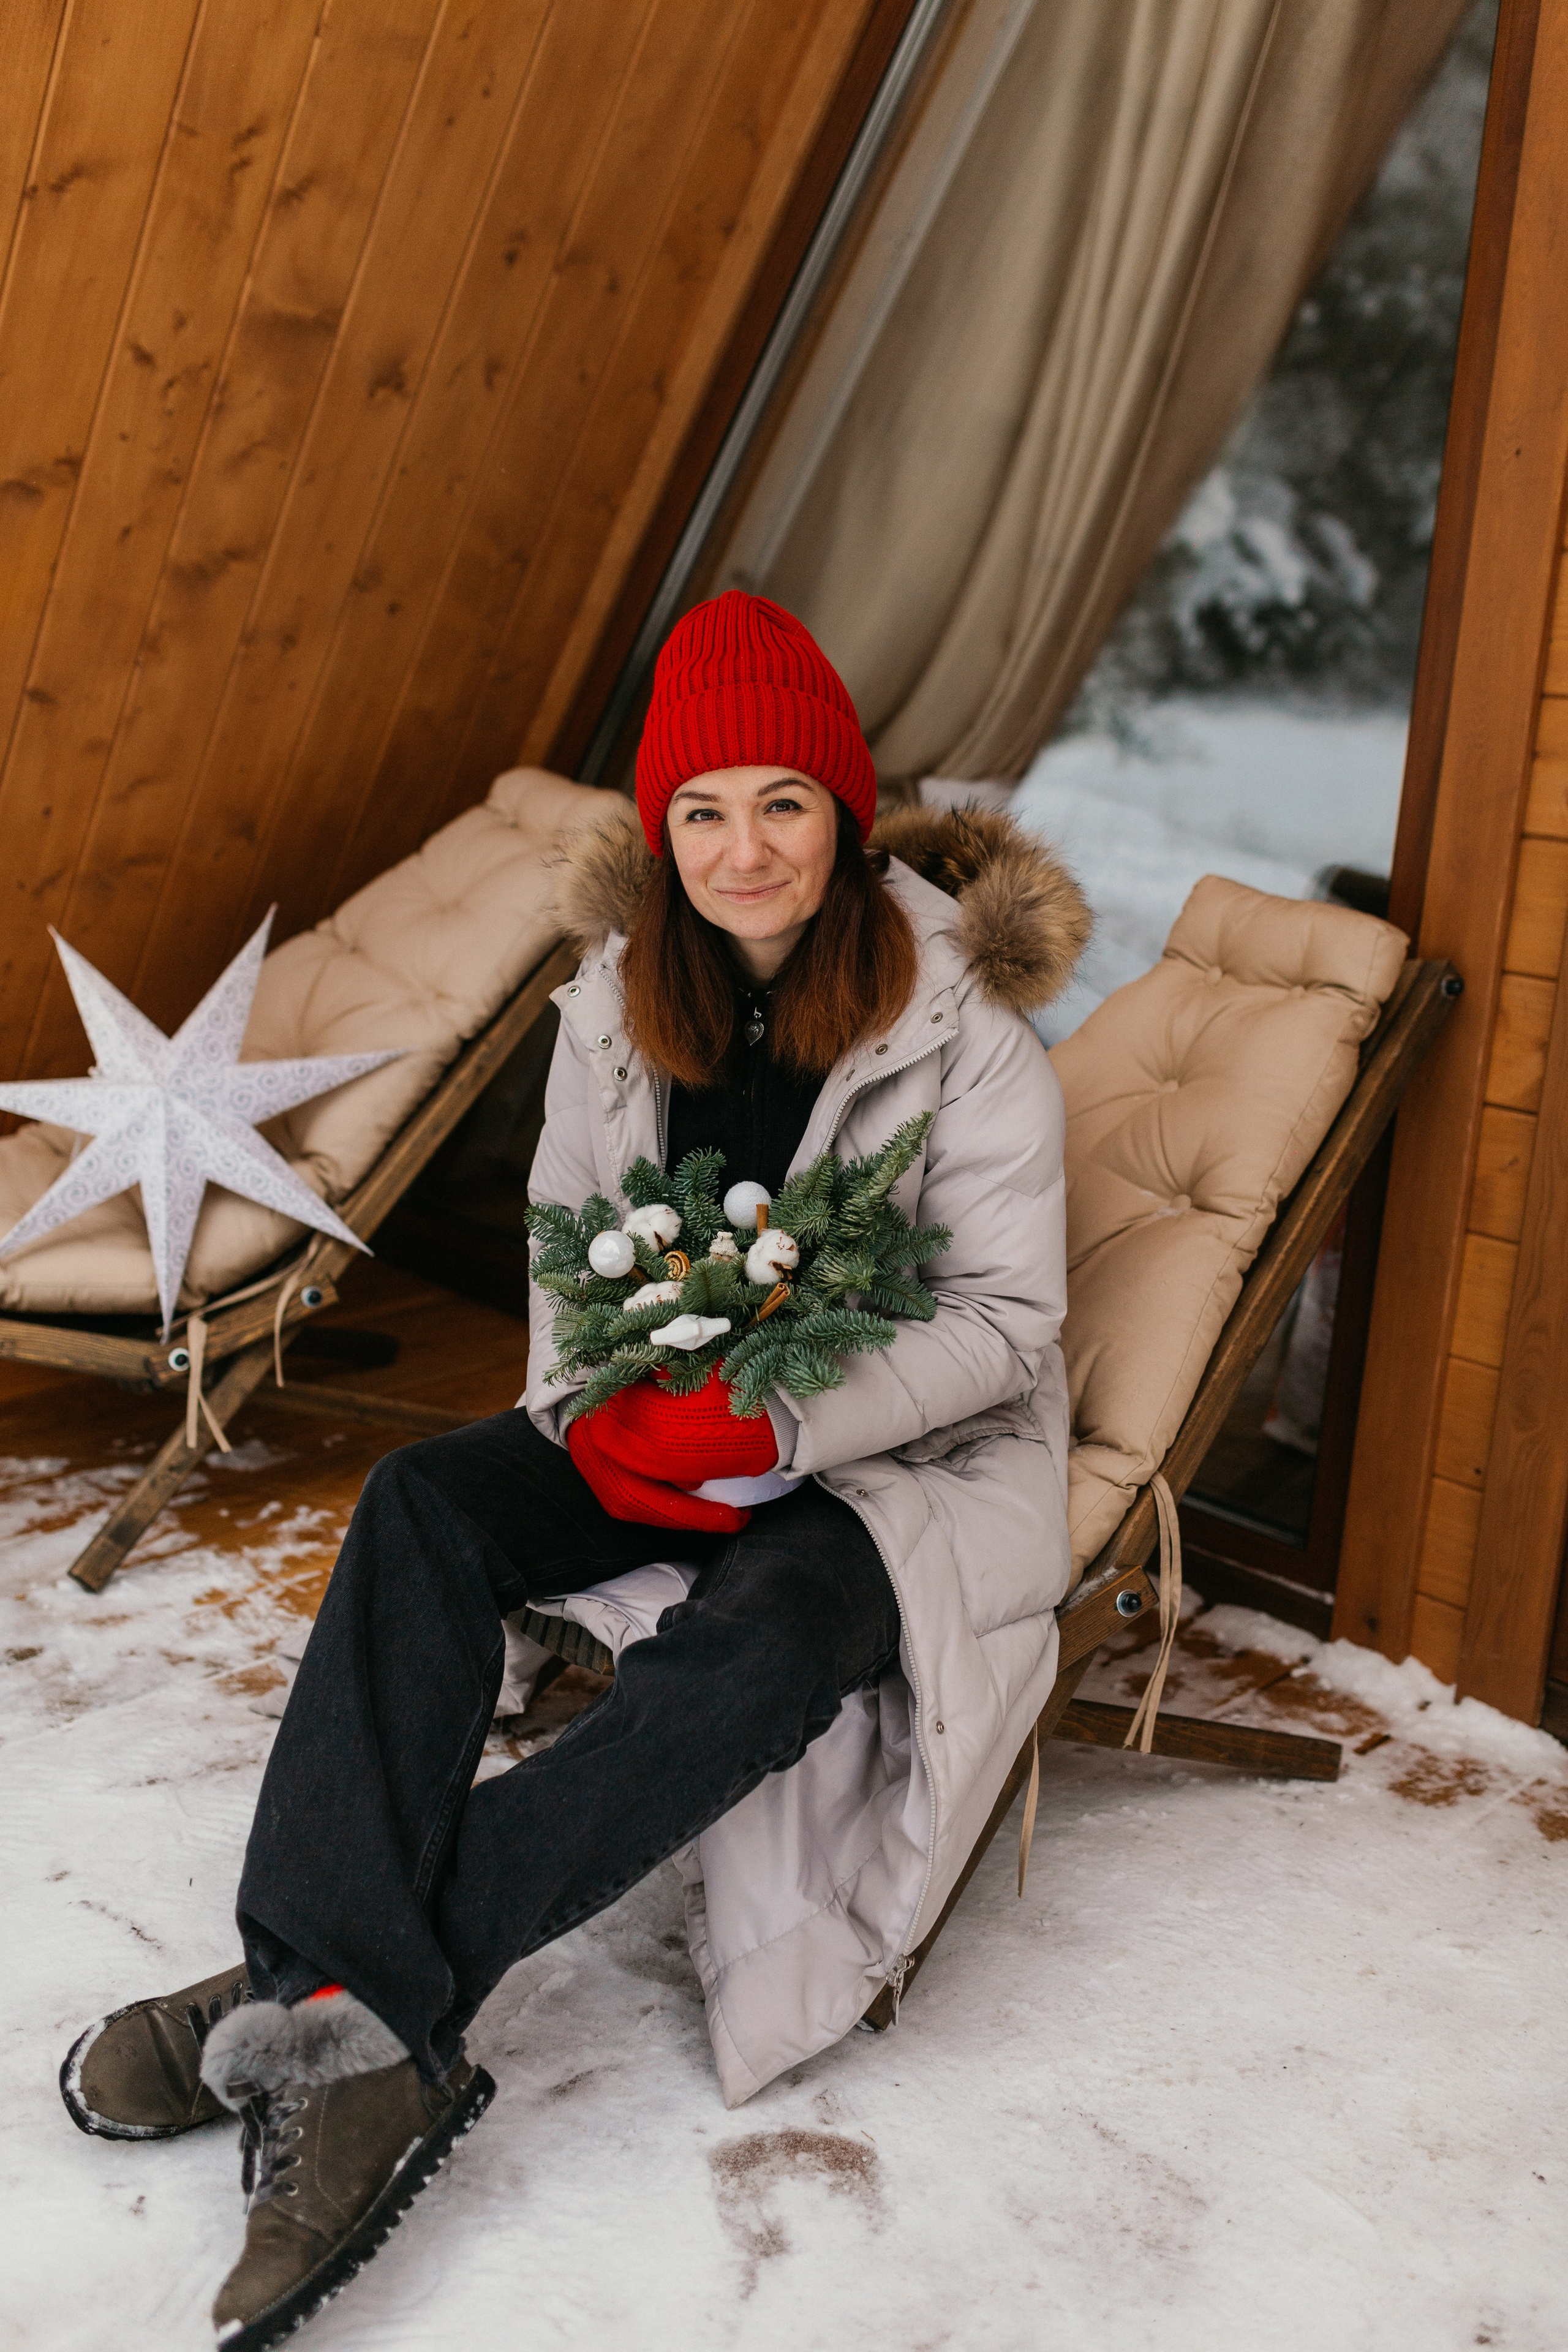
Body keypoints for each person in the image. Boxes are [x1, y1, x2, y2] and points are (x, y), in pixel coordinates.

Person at [58, 592, 1088, 2351]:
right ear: (661, 829)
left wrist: (778, 1427)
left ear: (842, 812)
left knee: (762, 1647)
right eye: (701, 809)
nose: (741, 847)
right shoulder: (615, 1003)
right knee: (424, 1504)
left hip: (893, 1461)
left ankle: (324, 1988)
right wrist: (593, 1405)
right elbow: (564, 1236)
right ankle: (353, 2001)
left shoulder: (963, 1030)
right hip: (656, 1410)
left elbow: (1004, 1321)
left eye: (780, 801)